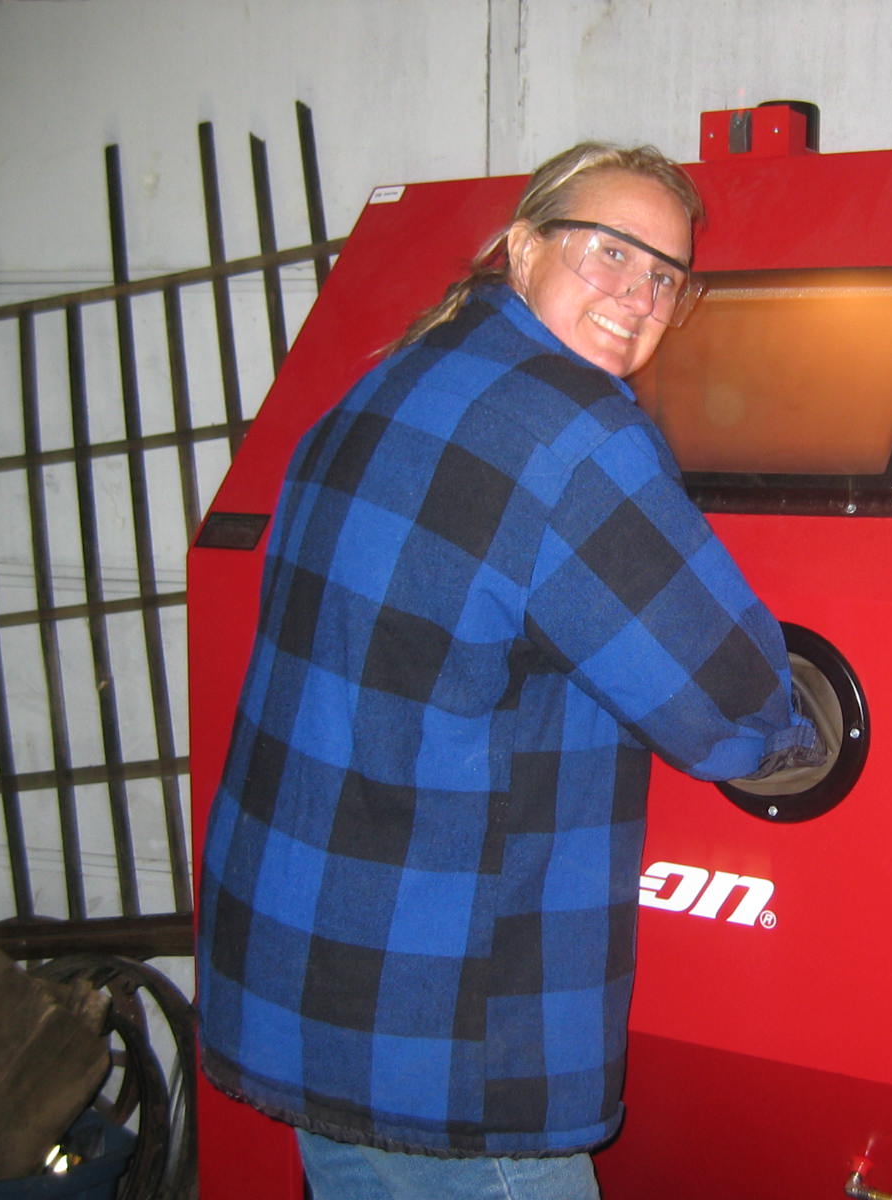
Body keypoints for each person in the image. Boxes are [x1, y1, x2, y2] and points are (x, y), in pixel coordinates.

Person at [195, 141, 820, 1199]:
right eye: (609, 251)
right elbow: (729, 704)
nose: (639, 295)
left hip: (300, 960)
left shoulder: (396, 374)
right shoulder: (574, 432)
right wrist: (801, 730)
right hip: (438, 1023)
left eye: (666, 275)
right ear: (523, 248)